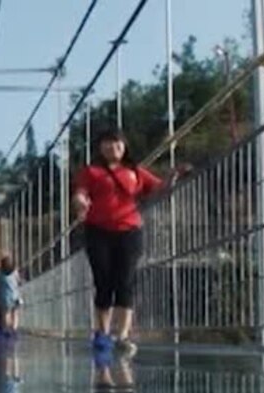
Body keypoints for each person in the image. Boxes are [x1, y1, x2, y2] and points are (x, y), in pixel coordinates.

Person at [72, 128, 189, 358]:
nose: (111, 147)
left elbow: (159, 188)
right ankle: (102, 333)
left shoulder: (136, 172)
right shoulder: (91, 172)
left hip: (129, 231)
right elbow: (80, 193)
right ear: (100, 147)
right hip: (98, 231)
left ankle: (122, 335)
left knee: (125, 281)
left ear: (124, 147)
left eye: (116, 143)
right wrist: (80, 203)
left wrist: (174, 175)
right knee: (103, 282)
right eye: (106, 143)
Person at [0, 255, 22, 336]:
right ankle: (14, 328)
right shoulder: (15, 273)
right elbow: (19, 281)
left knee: (6, 313)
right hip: (16, 296)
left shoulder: (0, 275)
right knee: (15, 313)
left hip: (5, 297)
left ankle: (7, 329)